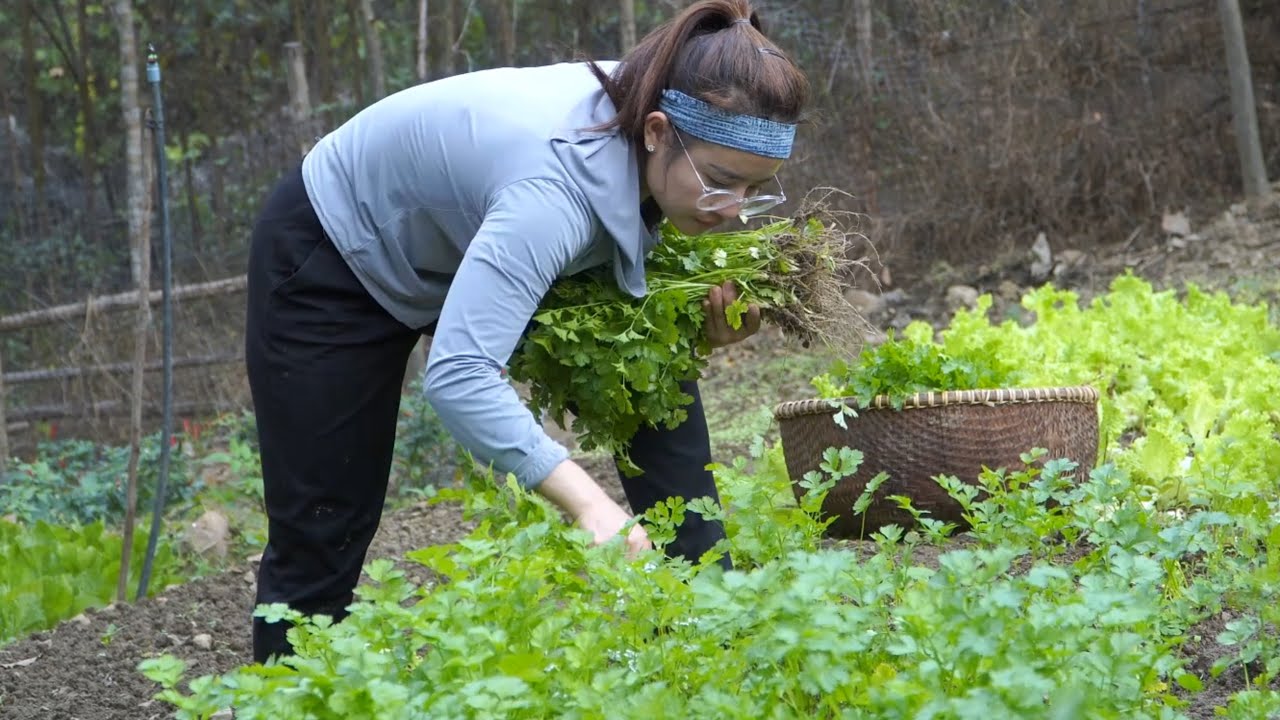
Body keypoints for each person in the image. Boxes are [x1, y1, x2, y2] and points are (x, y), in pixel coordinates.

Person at [243, 0, 810, 664]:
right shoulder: (553, 198)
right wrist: (590, 506)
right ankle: (291, 691)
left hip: (471, 230)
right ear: (656, 131)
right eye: (719, 184)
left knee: (647, 376)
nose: (733, 212)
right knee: (325, 519)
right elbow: (457, 376)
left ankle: (706, 637)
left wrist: (701, 335)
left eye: (754, 189)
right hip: (336, 253)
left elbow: (638, 313)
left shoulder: (668, 99)